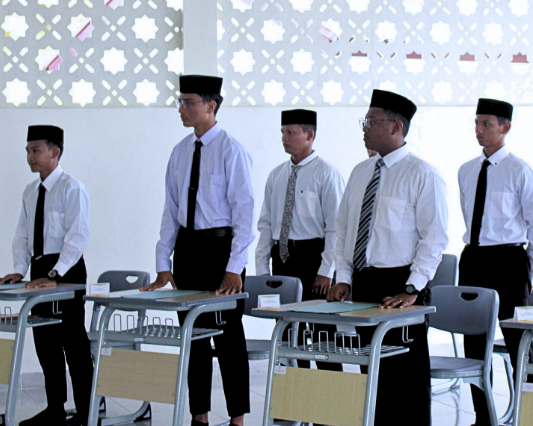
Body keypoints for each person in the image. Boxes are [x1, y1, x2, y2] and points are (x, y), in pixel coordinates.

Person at [328, 89, 448, 426]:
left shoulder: (422, 174)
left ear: (396, 127)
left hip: (401, 286)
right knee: (373, 374)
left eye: (371, 121)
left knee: (405, 378)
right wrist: (344, 277)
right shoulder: (360, 172)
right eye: (365, 120)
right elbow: (344, 227)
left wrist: (412, 289)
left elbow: (434, 238)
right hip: (364, 284)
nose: (364, 128)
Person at [142, 75, 255, 426]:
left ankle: (237, 418)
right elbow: (170, 211)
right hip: (188, 250)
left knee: (228, 338)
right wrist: (163, 261)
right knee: (192, 336)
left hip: (221, 252)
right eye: (180, 102)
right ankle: (199, 416)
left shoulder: (231, 151)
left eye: (189, 102)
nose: (182, 108)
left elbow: (245, 214)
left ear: (211, 105)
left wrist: (234, 267)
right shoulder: (179, 152)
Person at [0, 125, 93, 426]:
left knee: (74, 345)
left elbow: (77, 237)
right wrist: (18, 270)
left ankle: (87, 413)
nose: (30, 157)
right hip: (40, 270)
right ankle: (55, 410)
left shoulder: (71, 188)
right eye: (28, 150)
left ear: (55, 152)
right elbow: (22, 235)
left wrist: (55, 273)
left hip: (66, 270)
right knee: (45, 343)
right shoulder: (30, 192)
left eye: (35, 150)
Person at [457, 98, 533, 422]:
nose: (479, 130)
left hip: (511, 262)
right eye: (477, 123)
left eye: (486, 124)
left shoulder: (520, 169)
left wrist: (530, 272)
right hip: (473, 259)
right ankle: (484, 417)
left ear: (505, 127)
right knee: (474, 345)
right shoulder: (466, 170)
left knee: (520, 342)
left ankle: (530, 415)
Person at [255, 109, 344, 373]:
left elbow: (336, 227)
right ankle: (294, 389)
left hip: (313, 258)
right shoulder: (277, 175)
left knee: (321, 332)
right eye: (283, 132)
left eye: (291, 132)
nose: (284, 138)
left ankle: (330, 393)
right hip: (282, 257)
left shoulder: (326, 173)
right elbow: (265, 224)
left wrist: (326, 271)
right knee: (286, 329)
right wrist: (262, 271)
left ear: (309, 135)